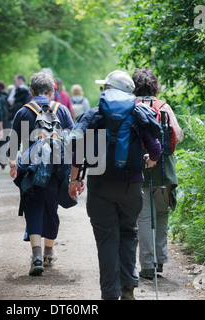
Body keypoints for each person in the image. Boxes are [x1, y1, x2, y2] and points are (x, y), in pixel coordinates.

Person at [68, 70, 162, 300]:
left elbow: (77, 151)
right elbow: (157, 148)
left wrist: (75, 180)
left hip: (100, 186)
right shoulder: (139, 114)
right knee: (129, 234)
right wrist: (149, 161)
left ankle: (109, 294)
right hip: (131, 187)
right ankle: (128, 288)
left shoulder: (94, 115)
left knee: (107, 240)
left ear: (107, 90)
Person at [8, 71, 74, 276]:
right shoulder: (61, 110)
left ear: (30, 91)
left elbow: (13, 142)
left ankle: (36, 255)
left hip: (30, 169)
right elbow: (73, 140)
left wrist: (12, 164)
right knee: (51, 208)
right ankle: (49, 251)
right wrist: (75, 172)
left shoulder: (23, 111)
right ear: (53, 90)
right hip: (56, 168)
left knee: (33, 206)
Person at [132, 66, 184, 280]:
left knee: (144, 218)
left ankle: (147, 266)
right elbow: (178, 136)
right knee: (161, 215)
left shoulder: (131, 107)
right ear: (155, 86)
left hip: (139, 169)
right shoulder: (164, 107)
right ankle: (160, 260)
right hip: (165, 171)